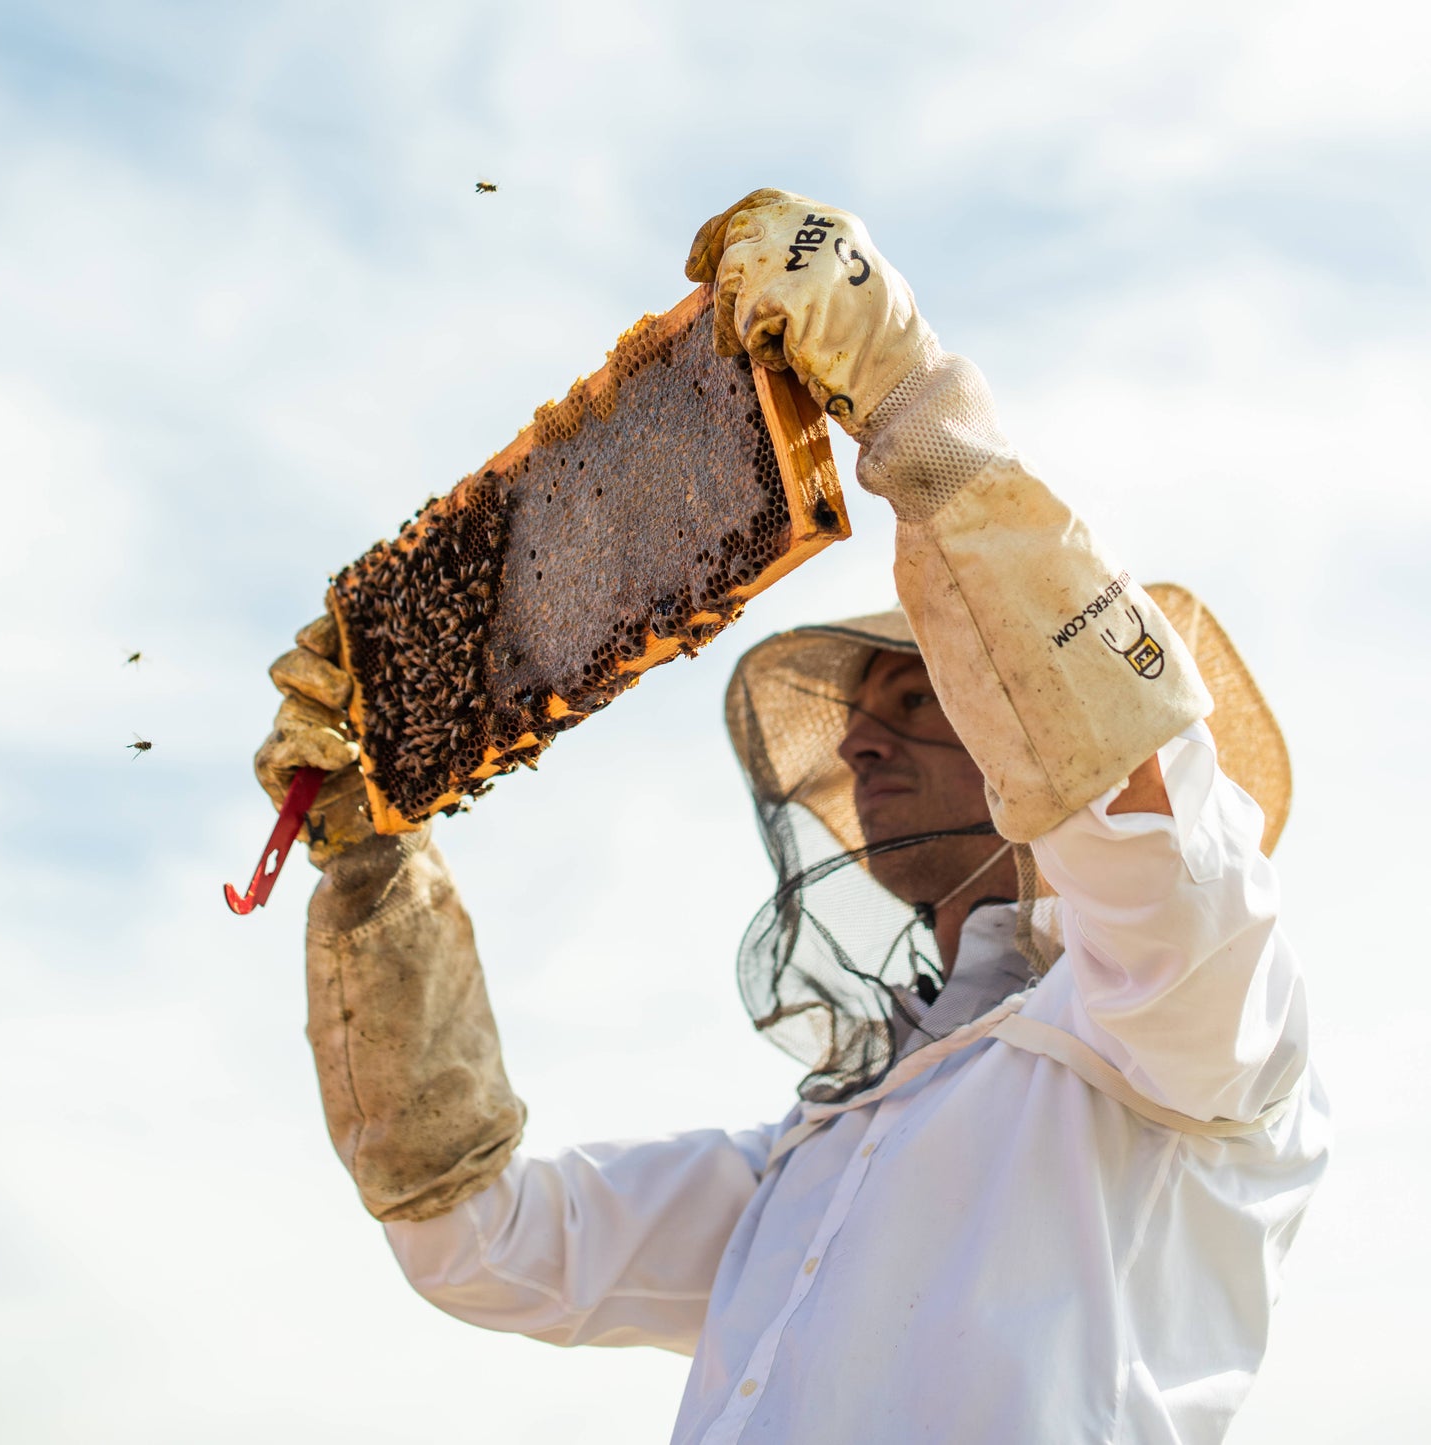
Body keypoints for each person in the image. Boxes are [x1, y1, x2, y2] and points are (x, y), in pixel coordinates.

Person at [256, 191, 1329, 1443]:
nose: (863, 739)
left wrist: (917, 412)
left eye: (920, 691)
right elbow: (480, 1240)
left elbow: (1146, 823)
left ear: (1008, 699)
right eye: (861, 713)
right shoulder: (811, 1154)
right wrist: (373, 872)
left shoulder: (1202, 1026)